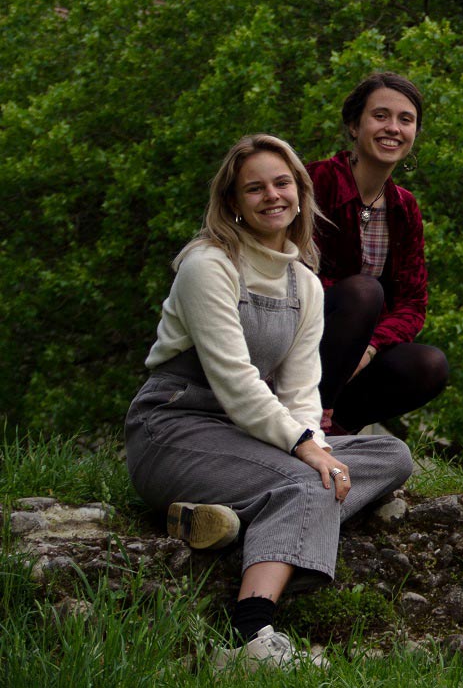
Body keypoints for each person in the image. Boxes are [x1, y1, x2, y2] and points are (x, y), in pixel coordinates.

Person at [125, 134, 414, 669]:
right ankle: (248, 638)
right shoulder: (207, 265)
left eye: (282, 183)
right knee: (309, 481)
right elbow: (236, 382)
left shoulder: (305, 284)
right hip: (176, 428)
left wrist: (315, 445)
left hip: (250, 435)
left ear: (300, 193)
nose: (272, 196)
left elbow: (301, 392)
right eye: (254, 188)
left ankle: (232, 518)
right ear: (233, 201)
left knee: (391, 455)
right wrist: (307, 452)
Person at [308, 73, 449, 436]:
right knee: (364, 291)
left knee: (429, 364)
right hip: (300, 341)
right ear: (354, 125)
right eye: (380, 116)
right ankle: (304, 421)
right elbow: (295, 276)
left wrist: (369, 347)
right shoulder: (313, 183)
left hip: (354, 359)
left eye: (406, 119)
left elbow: (413, 305)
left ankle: (336, 430)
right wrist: (353, 319)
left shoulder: (404, 207)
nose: (393, 128)